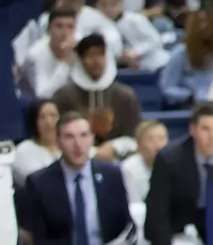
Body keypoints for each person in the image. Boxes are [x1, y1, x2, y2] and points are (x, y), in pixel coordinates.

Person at [17, 110, 136, 245]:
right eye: (69, 137)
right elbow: (36, 238)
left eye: (84, 135)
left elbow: (126, 228)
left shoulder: (112, 176)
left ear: (92, 138)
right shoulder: (39, 183)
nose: (78, 144)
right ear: (58, 142)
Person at [145, 100, 213, 245]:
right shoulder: (169, 160)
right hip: (179, 229)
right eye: (205, 129)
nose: (212, 137)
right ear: (192, 130)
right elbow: (157, 211)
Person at [51, 32, 143, 143]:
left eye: (100, 54)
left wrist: (113, 147)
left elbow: (133, 137)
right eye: (90, 55)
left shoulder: (125, 96)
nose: (96, 61)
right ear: (80, 60)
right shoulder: (64, 96)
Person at [12, 99, 62, 187]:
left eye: (53, 116)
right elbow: (41, 183)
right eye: (42, 117)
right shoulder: (24, 151)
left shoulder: (69, 146)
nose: (49, 122)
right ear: (35, 122)